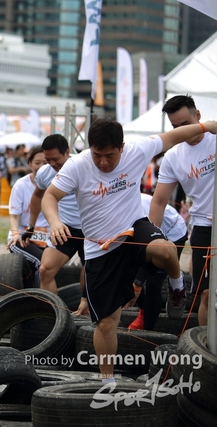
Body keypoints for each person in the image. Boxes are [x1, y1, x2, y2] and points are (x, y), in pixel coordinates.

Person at [42, 118, 217, 380]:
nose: (103, 162)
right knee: (106, 322)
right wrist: (55, 222)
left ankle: (177, 286)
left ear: (122, 147)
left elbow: (173, 136)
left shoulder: (137, 150)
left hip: (134, 229)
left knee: (166, 249)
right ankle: (107, 381)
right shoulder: (77, 165)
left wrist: (207, 126)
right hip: (101, 248)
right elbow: (49, 196)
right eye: (97, 155)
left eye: (109, 156)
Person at [150, 95, 217, 326]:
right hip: (204, 227)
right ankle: (206, 345)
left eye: (186, 124)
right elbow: (159, 202)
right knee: (206, 294)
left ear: (198, 116)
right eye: (176, 127)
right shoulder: (172, 157)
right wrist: (152, 238)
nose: (183, 132)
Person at [26, 135, 86, 313]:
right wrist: (31, 226)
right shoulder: (45, 173)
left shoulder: (84, 166)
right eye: (48, 160)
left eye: (56, 159)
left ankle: (88, 312)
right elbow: (38, 196)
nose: (52, 164)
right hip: (64, 228)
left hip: (91, 229)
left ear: (67, 152)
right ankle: (54, 315)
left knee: (90, 275)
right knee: (45, 270)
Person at [126, 193, 188, 330]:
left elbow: (151, 244)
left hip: (172, 233)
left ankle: (149, 330)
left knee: (153, 283)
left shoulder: (140, 209)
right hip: (144, 236)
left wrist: (138, 283)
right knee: (128, 275)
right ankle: (144, 310)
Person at [7, 146, 48, 288]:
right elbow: (14, 216)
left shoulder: (57, 185)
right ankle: (38, 296)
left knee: (50, 265)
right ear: (29, 163)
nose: (41, 167)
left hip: (48, 238)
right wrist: (16, 234)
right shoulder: (20, 185)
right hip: (23, 236)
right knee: (43, 263)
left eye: (46, 163)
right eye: (37, 163)